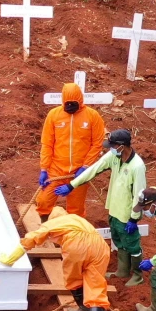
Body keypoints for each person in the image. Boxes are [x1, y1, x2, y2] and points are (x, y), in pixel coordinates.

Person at [0, 206, 111, 311]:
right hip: (100, 247)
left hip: (76, 244)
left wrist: (11, 258)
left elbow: (32, 238)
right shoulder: (76, 219)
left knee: (73, 279)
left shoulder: (53, 223)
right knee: (96, 288)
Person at [57, 129, 146, 287]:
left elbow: (140, 195)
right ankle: (122, 270)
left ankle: (138, 275)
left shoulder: (137, 166)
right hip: (114, 209)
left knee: (132, 244)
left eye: (112, 146)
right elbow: (95, 169)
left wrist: (134, 218)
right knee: (118, 239)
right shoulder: (114, 157)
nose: (109, 149)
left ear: (121, 146)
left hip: (127, 214)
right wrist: (72, 185)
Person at [36, 83, 107, 220]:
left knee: (76, 209)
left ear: (80, 101)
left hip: (79, 171)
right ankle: (44, 223)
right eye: (67, 104)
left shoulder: (93, 116)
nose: (70, 107)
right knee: (43, 201)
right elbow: (47, 143)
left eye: (73, 104)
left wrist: (85, 167)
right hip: (56, 170)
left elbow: (97, 144)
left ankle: (72, 233)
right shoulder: (53, 115)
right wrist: (44, 168)